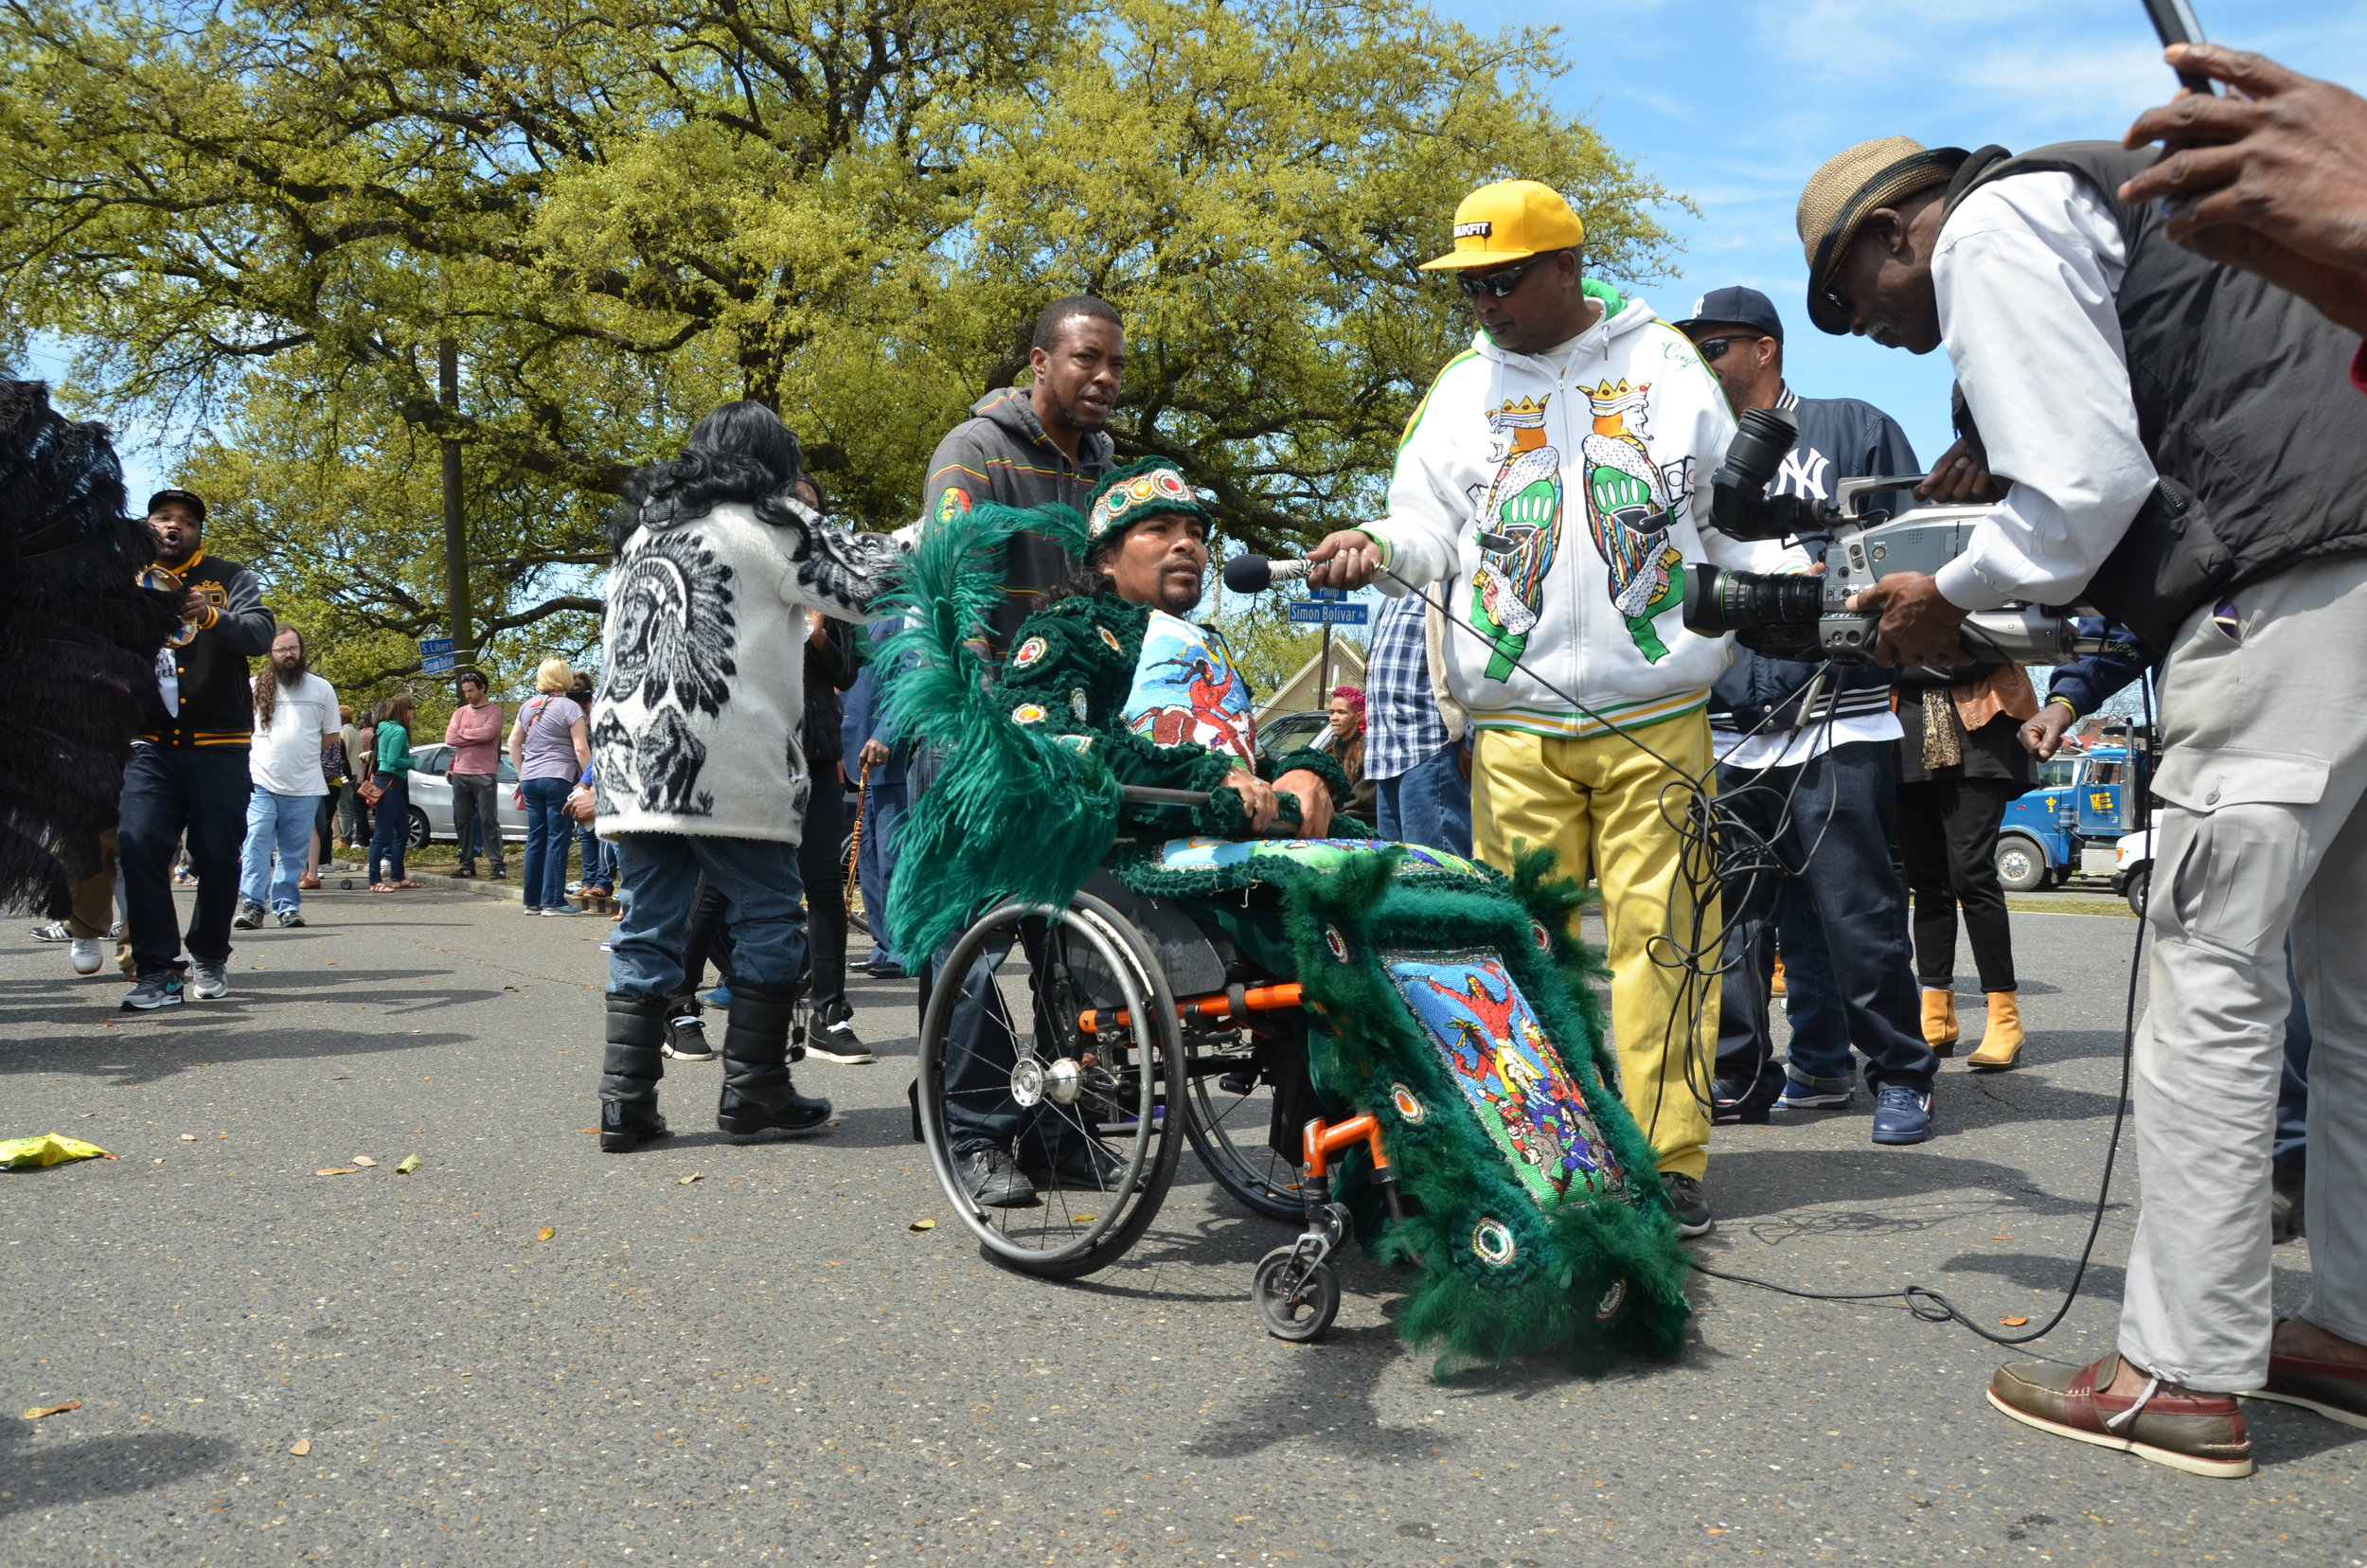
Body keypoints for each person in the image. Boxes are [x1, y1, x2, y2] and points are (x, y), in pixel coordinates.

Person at [1797, 113, 2367, 1472]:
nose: (1860, 329)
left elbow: (2085, 488)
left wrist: (1948, 593)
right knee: (2353, 1005)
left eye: (1847, 294)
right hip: (2349, 564)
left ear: (1899, 230)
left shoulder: (1997, 222)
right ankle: (2346, 1328)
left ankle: (2178, 1369)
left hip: (2273, 599)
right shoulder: (2118, 209)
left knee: (2215, 983)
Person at [1306, 180, 1798, 1238]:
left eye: (1502, 279)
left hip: (1654, 712)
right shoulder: (1457, 391)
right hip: (1518, 726)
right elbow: (1424, 532)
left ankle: (1667, 1162)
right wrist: (1377, 548)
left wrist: (1793, 591)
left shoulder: (1667, 366)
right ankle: (1549, 1150)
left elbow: (1731, 518)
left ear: (1568, 266)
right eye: (1468, 284)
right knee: (1525, 952)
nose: (1482, 302)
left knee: (1663, 946)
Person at [928, 456, 1346, 1206]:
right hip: (1117, 857)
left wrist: (1311, 772)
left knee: (1388, 899)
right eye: (1159, 530)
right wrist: (1200, 786)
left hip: (1226, 849)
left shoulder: (1204, 643)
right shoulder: (1066, 634)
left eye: (1196, 532)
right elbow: (1046, 741)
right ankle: (983, 1137)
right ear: (1106, 558)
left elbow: (1243, 751)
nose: (1186, 544)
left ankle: (1361, 1146)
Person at [590, 400, 900, 1152]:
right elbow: (868, 584)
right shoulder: (764, 524)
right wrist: (955, 513)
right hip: (719, 756)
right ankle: (753, 1090)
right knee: (768, 914)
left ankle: (623, 1107)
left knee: (647, 923)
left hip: (631, 761)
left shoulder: (643, 531)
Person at [1669, 285, 1941, 1131]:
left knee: (1855, 911)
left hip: (1839, 710)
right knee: (1737, 927)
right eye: (1691, 351)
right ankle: (1744, 1074)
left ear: (1764, 349)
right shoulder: (1680, 456)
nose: (1701, 366)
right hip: (1729, 722)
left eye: (1713, 348)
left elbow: (1912, 550)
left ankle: (1900, 1068)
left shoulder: (1851, 424)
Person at [117, 488, 277, 1010]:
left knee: (215, 855)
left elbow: (260, 633)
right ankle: (158, 970)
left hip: (219, 745)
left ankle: (209, 953)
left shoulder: (231, 577)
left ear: (198, 533)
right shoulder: (123, 579)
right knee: (139, 844)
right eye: (163, 517)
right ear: (148, 525)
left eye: (185, 521)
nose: (173, 526)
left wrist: (210, 615)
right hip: (149, 742)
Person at [919, 295, 1123, 652]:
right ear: (1040, 363)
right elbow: (955, 601)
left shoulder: (1117, 483)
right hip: (999, 702)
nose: (1106, 377)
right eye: (1087, 358)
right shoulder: (975, 451)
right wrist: (979, 705)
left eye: (1117, 365)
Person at [234, 625, 339, 929]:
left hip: (305, 784)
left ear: (301, 650)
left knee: (294, 851)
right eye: (281, 649)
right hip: (259, 781)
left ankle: (287, 907)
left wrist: (303, 750)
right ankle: (253, 905)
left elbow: (331, 735)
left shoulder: (321, 688)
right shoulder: (252, 687)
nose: (288, 654)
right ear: (270, 653)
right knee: (256, 841)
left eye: (293, 648)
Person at [1361, 585, 1472, 856]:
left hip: (1429, 749)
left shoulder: (1446, 583)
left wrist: (1470, 736)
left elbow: (1472, 663)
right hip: (1385, 756)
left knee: (1437, 877)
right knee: (1398, 875)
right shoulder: (1392, 592)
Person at [839, 640, 911, 977]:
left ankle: (905, 946)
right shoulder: (853, 605)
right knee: (868, 856)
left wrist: (887, 733)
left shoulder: (902, 610)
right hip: (856, 741)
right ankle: (885, 945)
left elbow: (912, 677)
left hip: (891, 749)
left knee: (894, 858)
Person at [508, 659, 589, 916]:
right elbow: (581, 748)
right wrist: (590, 780)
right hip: (558, 778)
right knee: (558, 838)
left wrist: (522, 776)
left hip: (530, 779)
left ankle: (532, 901)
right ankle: (553, 901)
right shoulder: (570, 708)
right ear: (564, 678)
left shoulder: (527, 706)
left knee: (536, 838)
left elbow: (513, 742)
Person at [443, 670, 507, 880]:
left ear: (482, 688)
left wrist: (463, 734)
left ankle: (497, 864)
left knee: (489, 820)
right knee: (463, 820)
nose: (468, 695)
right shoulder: (460, 712)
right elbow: (450, 738)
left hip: (484, 773)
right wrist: (472, 736)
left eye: (471, 690)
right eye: (465, 691)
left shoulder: (495, 711)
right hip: (461, 773)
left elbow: (488, 734)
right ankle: (466, 863)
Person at [365, 693, 418, 891]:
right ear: (404, 710)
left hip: (388, 782)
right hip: (389, 783)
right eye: (412, 708)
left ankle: (398, 876)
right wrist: (412, 762)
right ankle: (374, 880)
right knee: (382, 833)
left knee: (403, 830)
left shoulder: (384, 728)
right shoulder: (398, 731)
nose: (414, 712)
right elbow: (393, 760)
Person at [1317, 686, 1379, 823]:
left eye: (1341, 712)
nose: (1334, 718)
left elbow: (1362, 800)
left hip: (1357, 823)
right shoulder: (1329, 749)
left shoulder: (1367, 750)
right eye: (1331, 712)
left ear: (1358, 717)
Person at [334, 704, 368, 856]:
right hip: (354, 773)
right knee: (348, 807)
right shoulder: (354, 731)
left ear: (341, 718)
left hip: (344, 775)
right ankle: (345, 837)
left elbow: (341, 755)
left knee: (344, 808)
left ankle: (345, 838)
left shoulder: (344, 733)